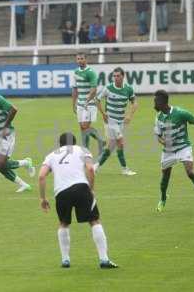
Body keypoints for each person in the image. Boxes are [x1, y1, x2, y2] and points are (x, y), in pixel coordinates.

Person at [38, 132, 118, 269]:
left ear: (60, 144)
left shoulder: (51, 155)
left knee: (63, 223)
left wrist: (43, 198)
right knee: (94, 221)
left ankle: (65, 260)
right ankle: (104, 259)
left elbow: (41, 176)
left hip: (61, 192)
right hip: (81, 188)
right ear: (74, 143)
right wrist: (91, 189)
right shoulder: (82, 150)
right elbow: (91, 169)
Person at [94, 67, 137, 176]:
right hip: (110, 121)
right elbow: (97, 100)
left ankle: (96, 166)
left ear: (123, 76)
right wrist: (103, 114)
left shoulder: (128, 89)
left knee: (111, 146)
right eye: (114, 76)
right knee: (120, 142)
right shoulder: (108, 88)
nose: (116, 78)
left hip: (120, 121)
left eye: (118, 76)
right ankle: (124, 169)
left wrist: (129, 116)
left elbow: (134, 103)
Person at [72, 53, 105, 157]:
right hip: (80, 104)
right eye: (78, 59)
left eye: (82, 58)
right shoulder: (75, 72)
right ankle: (85, 150)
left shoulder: (91, 73)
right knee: (82, 128)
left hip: (89, 103)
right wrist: (73, 103)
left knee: (85, 126)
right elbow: (74, 88)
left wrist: (87, 100)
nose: (80, 60)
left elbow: (94, 89)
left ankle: (100, 140)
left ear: (86, 59)